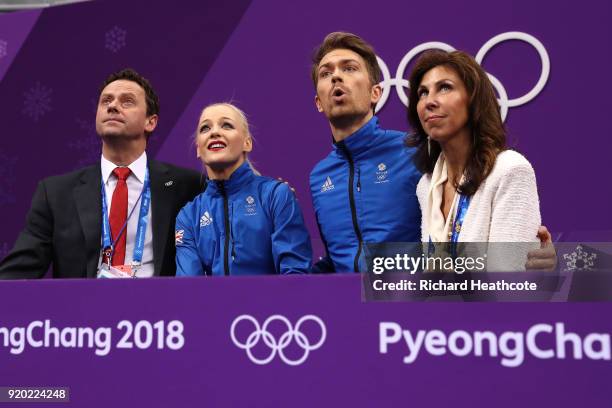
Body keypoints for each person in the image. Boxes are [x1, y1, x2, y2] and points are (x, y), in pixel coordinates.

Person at [309, 32, 555, 273]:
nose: (336, 77)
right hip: (356, 310)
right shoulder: (320, 177)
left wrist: (541, 261)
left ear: (376, 93)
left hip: (419, 306)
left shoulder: (416, 153)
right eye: (326, 73)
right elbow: (336, 260)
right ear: (318, 102)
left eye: (349, 68)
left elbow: (506, 258)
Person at [0, 68, 203, 278]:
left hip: (161, 308)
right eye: (106, 101)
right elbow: (18, 272)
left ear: (150, 122)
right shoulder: (55, 193)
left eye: (127, 101)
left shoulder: (186, 186)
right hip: (81, 308)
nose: (113, 106)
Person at [407, 50, 540, 270]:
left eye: (445, 87)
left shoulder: (510, 170)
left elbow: (508, 282)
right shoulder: (426, 185)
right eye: (422, 93)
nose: (429, 101)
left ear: (473, 100)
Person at [175, 103, 312, 276]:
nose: (214, 132)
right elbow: (188, 289)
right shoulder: (188, 215)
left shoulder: (276, 195)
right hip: (213, 304)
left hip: (273, 303)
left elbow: (295, 277)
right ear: (198, 149)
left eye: (226, 125)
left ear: (247, 143)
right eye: (205, 128)